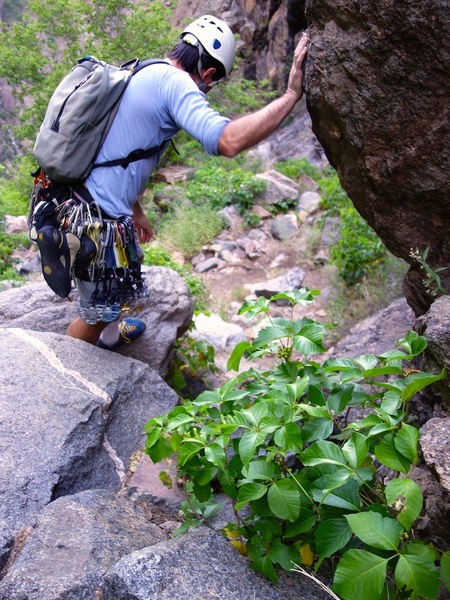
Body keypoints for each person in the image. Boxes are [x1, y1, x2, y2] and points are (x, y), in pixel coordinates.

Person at [35, 14, 309, 349]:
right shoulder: (178, 84)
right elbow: (228, 141)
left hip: (69, 196)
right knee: (99, 311)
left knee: (129, 259)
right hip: (93, 216)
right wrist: (292, 94)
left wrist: (135, 210)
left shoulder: (145, 69)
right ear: (208, 73)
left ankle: (109, 334)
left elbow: (120, 149)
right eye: (212, 83)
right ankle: (63, 371)